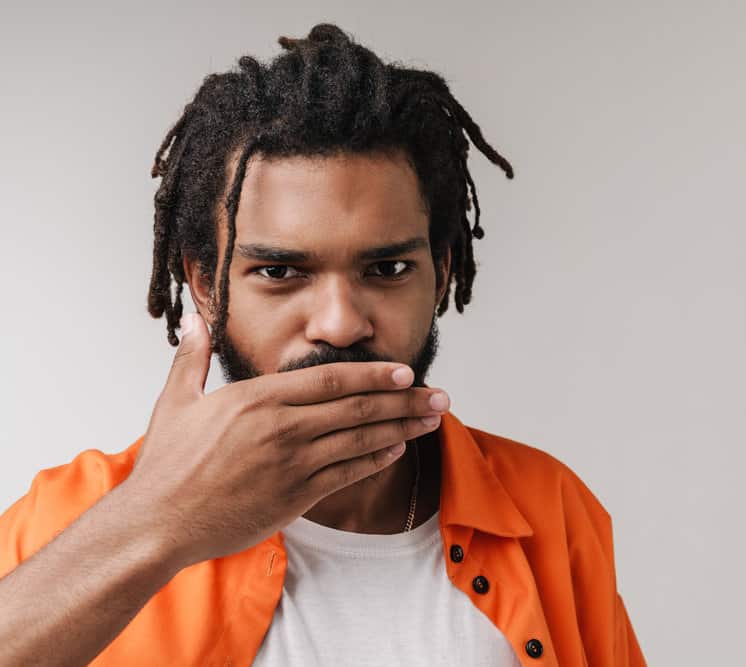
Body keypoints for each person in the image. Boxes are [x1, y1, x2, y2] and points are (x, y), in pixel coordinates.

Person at [0, 22, 646, 666]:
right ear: (204, 283)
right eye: (280, 272)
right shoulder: (71, 514)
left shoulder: (548, 504)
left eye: (387, 269)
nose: (340, 325)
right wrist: (157, 520)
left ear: (442, 272)